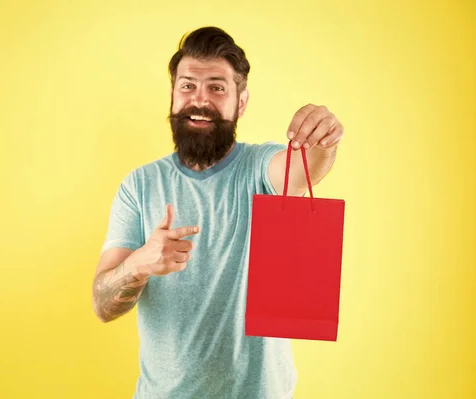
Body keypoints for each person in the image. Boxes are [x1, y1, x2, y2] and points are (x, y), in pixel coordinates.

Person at [91, 26, 344, 399]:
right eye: (188, 85)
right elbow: (102, 305)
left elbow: (307, 166)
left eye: (217, 87)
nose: (200, 99)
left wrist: (325, 136)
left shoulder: (259, 168)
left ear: (241, 102)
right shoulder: (139, 185)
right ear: (174, 96)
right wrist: (140, 263)